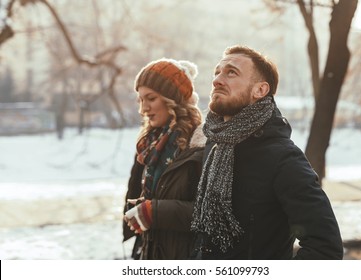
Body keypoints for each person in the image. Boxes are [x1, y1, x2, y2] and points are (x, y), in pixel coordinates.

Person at [191, 45, 343, 260]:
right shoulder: (214, 146)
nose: (217, 80)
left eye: (231, 72)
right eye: (217, 72)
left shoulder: (282, 158)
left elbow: (325, 247)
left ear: (260, 90)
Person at [123, 58, 206, 259]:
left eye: (151, 98)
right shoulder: (148, 144)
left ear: (173, 99)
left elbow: (209, 213)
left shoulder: (200, 145)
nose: (143, 109)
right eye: (140, 100)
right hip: (151, 250)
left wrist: (154, 211)